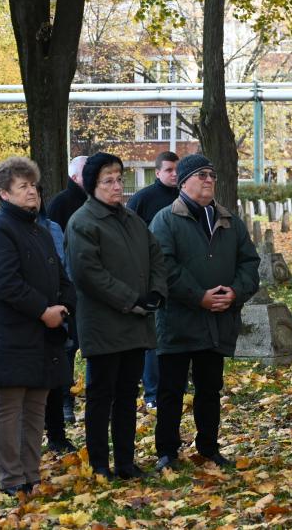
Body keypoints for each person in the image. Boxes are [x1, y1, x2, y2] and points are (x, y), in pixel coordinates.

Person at [150, 154, 260, 471]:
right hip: (178, 321)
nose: (209, 179)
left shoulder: (228, 220)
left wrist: (235, 292)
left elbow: (249, 263)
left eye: (212, 174)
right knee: (171, 390)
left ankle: (209, 448)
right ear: (184, 182)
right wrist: (199, 297)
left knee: (209, 389)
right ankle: (167, 452)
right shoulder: (165, 220)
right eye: (201, 175)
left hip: (218, 321)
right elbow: (165, 267)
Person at [65, 152, 167, 479]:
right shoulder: (83, 222)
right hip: (104, 325)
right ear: (93, 185)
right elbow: (87, 273)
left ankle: (125, 462)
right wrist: (130, 299)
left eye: (119, 179)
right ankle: (99, 465)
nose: (116, 187)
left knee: (126, 396)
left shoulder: (130, 218)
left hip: (135, 325)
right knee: (100, 397)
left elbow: (156, 255)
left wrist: (155, 293)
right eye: (108, 181)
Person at [0, 157, 76, 495]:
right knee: (9, 408)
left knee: (36, 405)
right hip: (12, 334)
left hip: (46, 333)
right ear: (5, 193)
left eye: (33, 185)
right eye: (23, 186)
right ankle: (11, 480)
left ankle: (31, 475)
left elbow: (62, 276)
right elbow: (4, 283)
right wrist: (42, 311)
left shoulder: (40, 228)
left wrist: (64, 307)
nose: (32, 191)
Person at [127, 151, 180, 410]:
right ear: (157, 172)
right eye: (168, 170)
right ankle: (152, 392)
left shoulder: (185, 197)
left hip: (178, 274)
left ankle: (175, 383)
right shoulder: (143, 199)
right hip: (150, 275)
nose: (174, 174)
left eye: (176, 170)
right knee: (153, 334)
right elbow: (129, 234)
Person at [47, 155, 88, 423]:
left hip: (92, 288)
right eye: (88, 171)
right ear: (74, 177)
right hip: (70, 288)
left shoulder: (97, 201)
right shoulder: (61, 204)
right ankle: (65, 402)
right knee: (68, 348)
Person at [37, 185, 77, 454]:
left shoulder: (52, 228)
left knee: (56, 372)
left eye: (36, 190)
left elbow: (64, 269)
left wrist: (65, 304)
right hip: (29, 313)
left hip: (56, 309)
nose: (32, 195)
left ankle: (57, 435)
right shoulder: (2, 230)